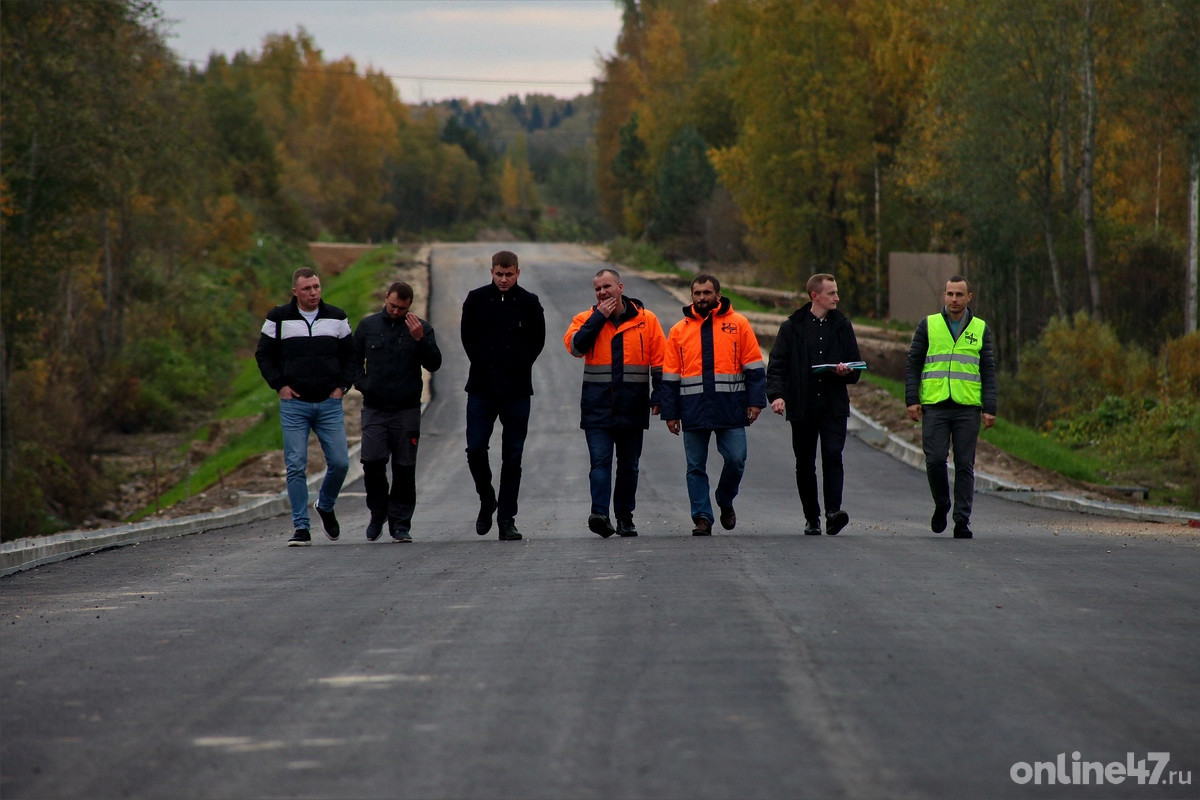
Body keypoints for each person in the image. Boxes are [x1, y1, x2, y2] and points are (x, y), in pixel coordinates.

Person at [660, 275, 767, 536]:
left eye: (707, 293)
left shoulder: (738, 324)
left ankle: (724, 498)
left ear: (717, 295)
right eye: (697, 293)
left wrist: (755, 402)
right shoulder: (678, 331)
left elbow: (753, 366)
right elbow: (670, 376)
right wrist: (670, 414)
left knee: (736, 459)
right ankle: (702, 518)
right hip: (693, 408)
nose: (701, 298)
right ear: (691, 296)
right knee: (695, 466)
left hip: (730, 407)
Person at [255, 267, 354, 547]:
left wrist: (342, 387)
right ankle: (301, 527)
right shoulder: (278, 318)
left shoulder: (337, 317)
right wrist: (279, 385)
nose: (313, 293)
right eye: (307, 289)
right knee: (296, 466)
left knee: (340, 463)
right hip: (294, 405)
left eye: (317, 287)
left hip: (329, 403)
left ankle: (325, 504)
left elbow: (352, 356)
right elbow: (263, 354)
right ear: (295, 292)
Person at [564, 268, 667, 537]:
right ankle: (599, 514)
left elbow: (660, 362)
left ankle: (624, 518)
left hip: (632, 406)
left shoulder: (648, 320)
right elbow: (576, 347)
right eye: (597, 289)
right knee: (600, 462)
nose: (602, 292)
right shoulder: (584, 319)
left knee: (629, 465)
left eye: (607, 287)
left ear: (620, 287)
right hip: (597, 406)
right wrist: (599, 318)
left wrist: (659, 396)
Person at [766, 274, 863, 536]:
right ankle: (812, 517)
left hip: (833, 405)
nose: (837, 298)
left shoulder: (842, 325)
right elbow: (777, 366)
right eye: (831, 293)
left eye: (836, 292)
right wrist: (777, 395)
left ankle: (833, 512)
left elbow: (856, 366)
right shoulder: (792, 327)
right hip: (803, 405)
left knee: (833, 456)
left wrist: (846, 371)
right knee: (805, 462)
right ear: (815, 295)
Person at [460, 250, 546, 541]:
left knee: (513, 457)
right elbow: (467, 338)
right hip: (482, 388)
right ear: (492, 272)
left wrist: (516, 366)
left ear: (518, 273)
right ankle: (487, 498)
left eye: (509, 274)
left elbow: (537, 341)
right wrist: (487, 365)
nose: (504, 279)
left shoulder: (529, 303)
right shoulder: (476, 299)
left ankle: (507, 519)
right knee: (474, 449)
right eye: (499, 274)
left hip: (517, 391)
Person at [904, 275, 997, 539]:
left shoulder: (980, 328)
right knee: (934, 460)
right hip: (935, 406)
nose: (954, 299)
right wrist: (912, 399)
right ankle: (942, 503)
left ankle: (962, 520)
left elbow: (987, 371)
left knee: (965, 464)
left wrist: (990, 407)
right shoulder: (929, 325)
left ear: (969, 297)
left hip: (967, 406)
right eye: (949, 294)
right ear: (944, 295)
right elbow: (913, 365)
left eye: (959, 294)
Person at [351, 281, 442, 543]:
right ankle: (378, 513)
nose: (395, 311)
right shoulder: (368, 326)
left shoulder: (420, 328)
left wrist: (420, 340)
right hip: (375, 408)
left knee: (404, 466)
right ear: (385, 299)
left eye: (402, 308)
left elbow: (434, 363)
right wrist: (364, 384)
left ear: (409, 306)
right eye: (392, 305)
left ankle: (401, 523)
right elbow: (353, 361)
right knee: (372, 462)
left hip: (406, 409)